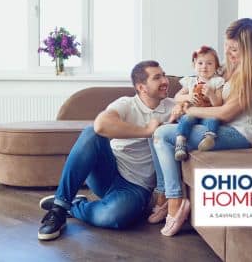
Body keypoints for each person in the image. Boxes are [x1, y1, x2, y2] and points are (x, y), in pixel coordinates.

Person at [149, 18, 252, 237]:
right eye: (226, 46)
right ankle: (164, 193)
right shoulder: (227, 68)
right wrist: (185, 101)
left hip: (239, 133)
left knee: (163, 135)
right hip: (216, 126)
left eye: (235, 49)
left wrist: (188, 111)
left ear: (251, 50)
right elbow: (197, 89)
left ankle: (176, 201)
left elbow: (225, 113)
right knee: (155, 133)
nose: (229, 53)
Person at [37, 60, 174, 241]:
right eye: (157, 77)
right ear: (142, 87)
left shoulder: (173, 107)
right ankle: (59, 209)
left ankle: (75, 205)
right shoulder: (126, 104)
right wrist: (147, 131)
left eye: (164, 75)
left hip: (136, 188)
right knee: (91, 133)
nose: (165, 80)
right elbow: (101, 125)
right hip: (107, 172)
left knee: (114, 217)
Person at [172, 45, 224, 161]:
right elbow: (177, 97)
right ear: (194, 65)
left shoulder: (217, 82)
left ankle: (209, 139)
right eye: (200, 63)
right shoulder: (190, 81)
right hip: (193, 112)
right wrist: (188, 96)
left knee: (214, 119)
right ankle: (180, 142)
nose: (204, 67)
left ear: (216, 66)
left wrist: (211, 94)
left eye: (209, 63)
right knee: (186, 119)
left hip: (208, 113)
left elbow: (218, 104)